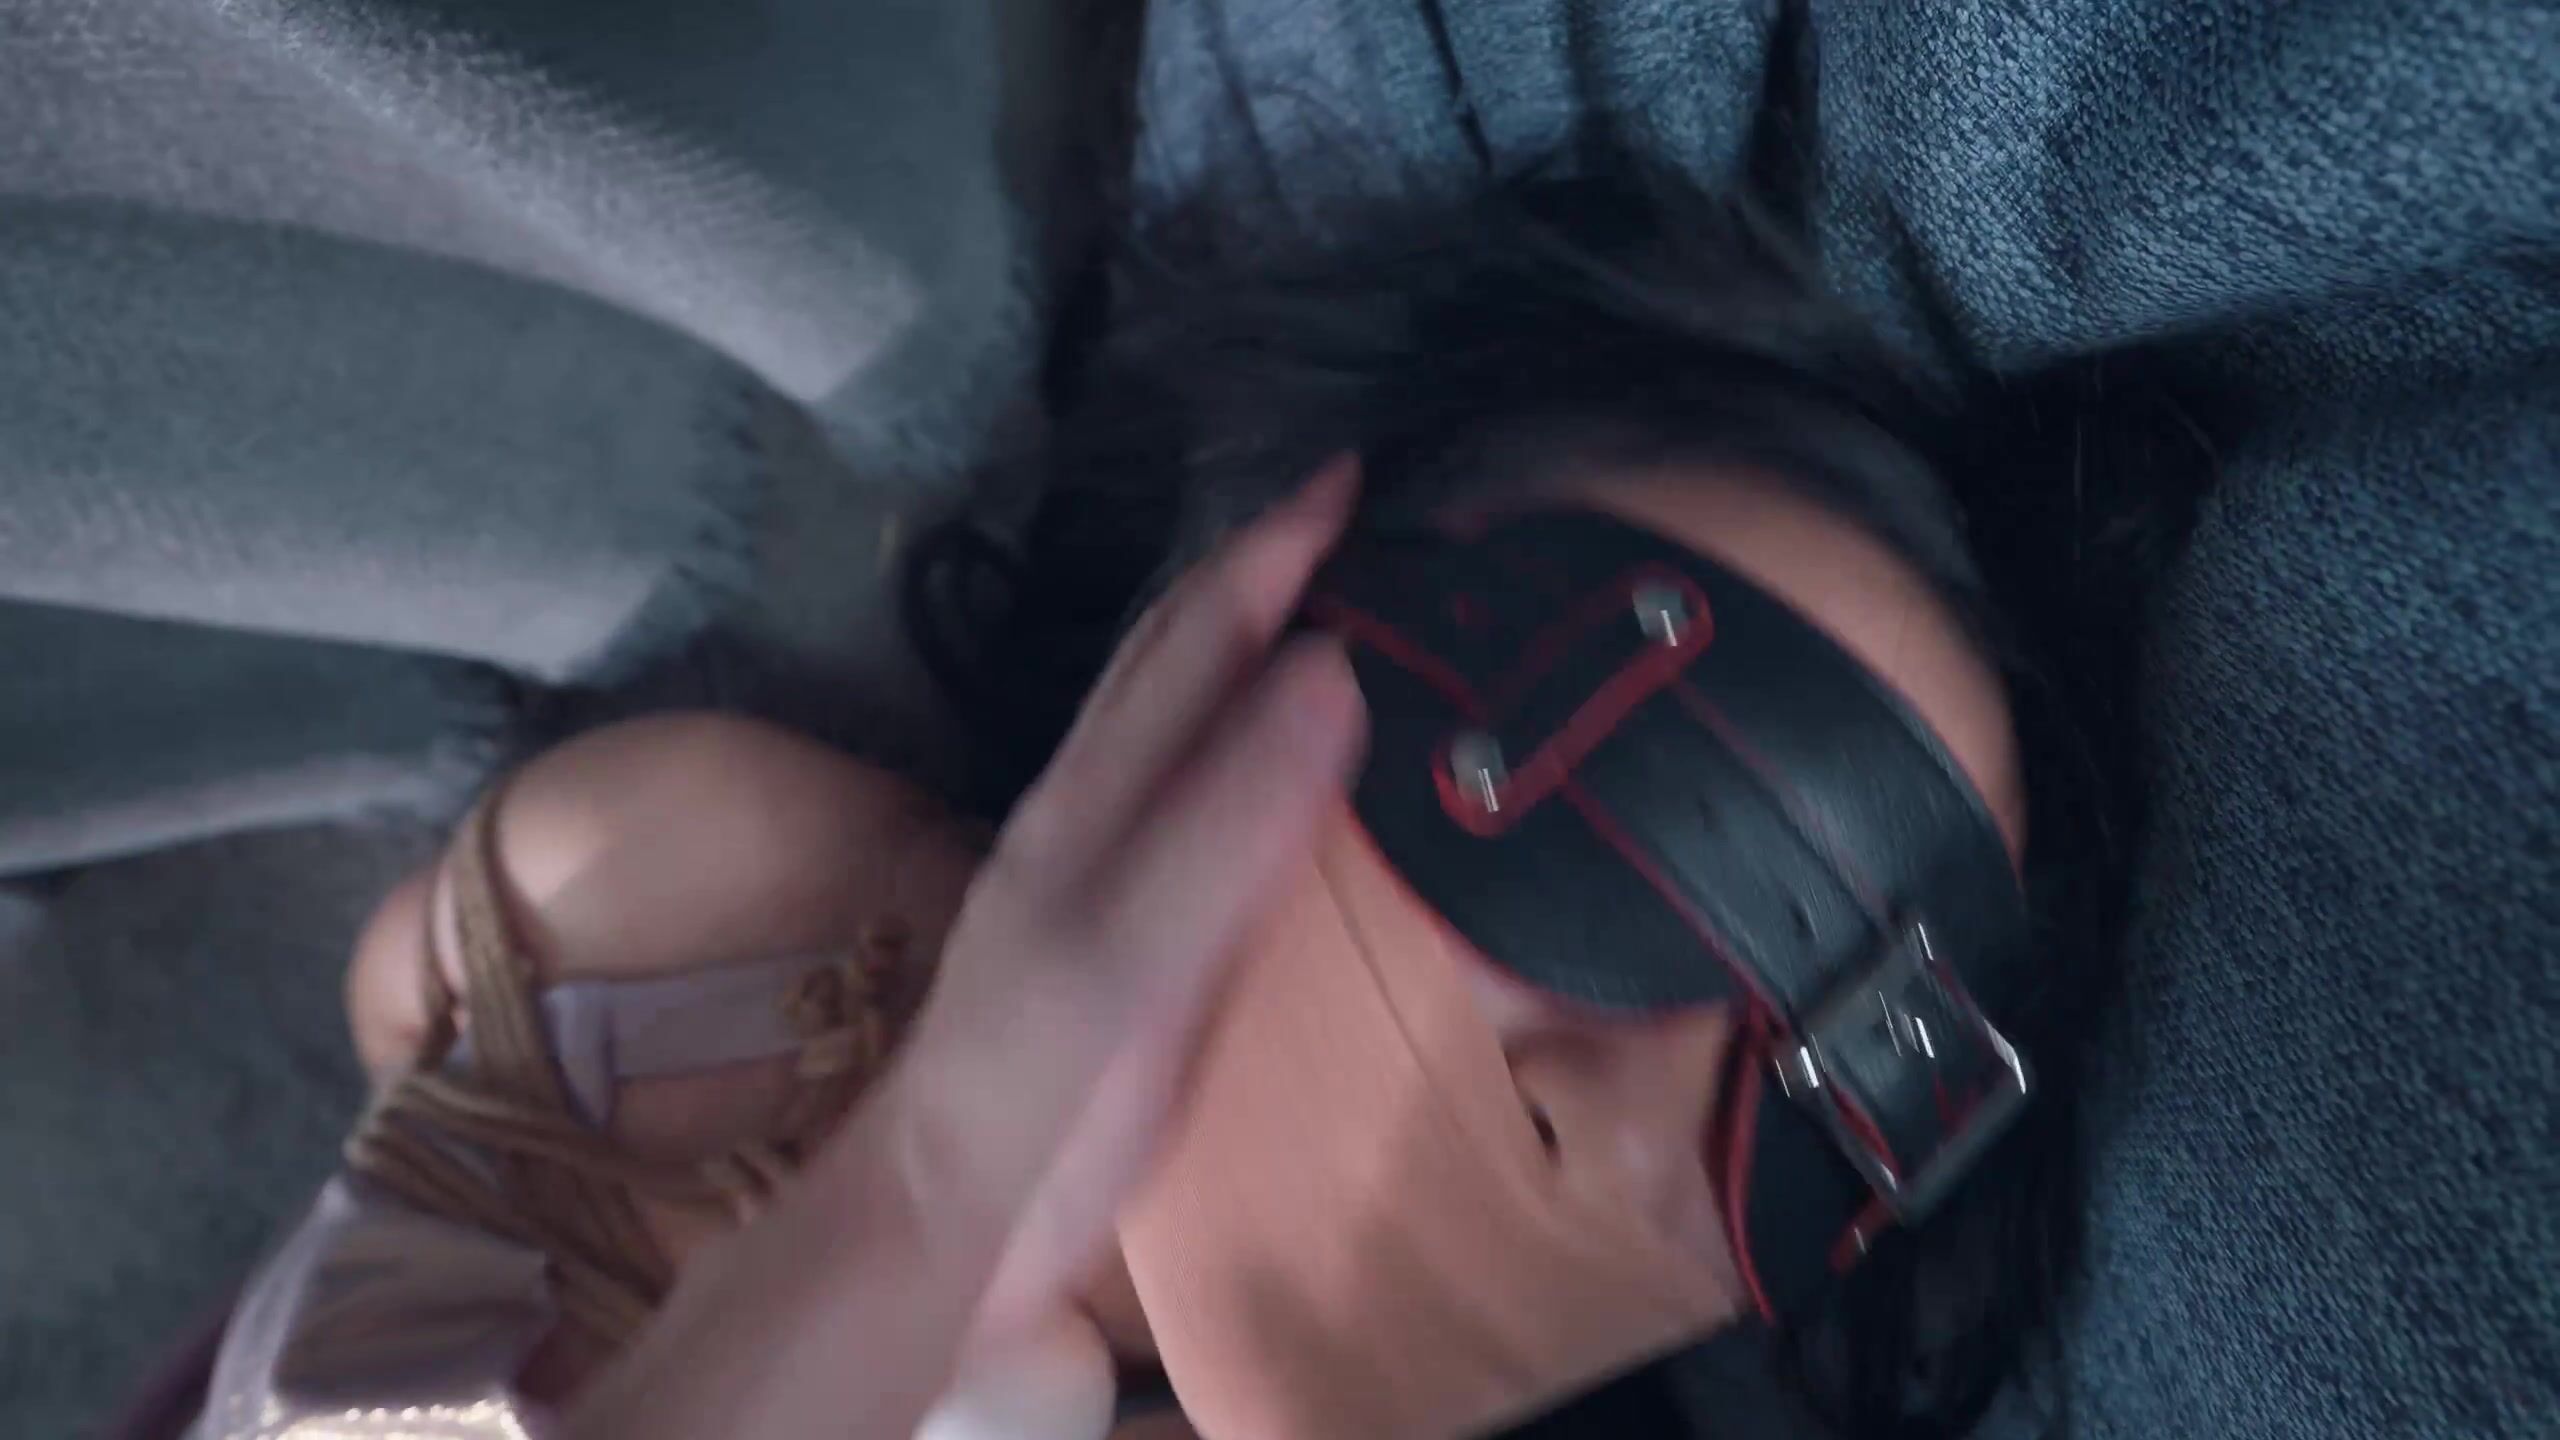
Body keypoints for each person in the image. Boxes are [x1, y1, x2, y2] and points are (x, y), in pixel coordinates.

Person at [192, 164, 2146, 1440]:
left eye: (1852, 1103)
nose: (1625, 1137)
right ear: (1229, 635)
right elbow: (403, 1007)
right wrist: (932, 1185)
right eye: (1618, 808)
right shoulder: (658, 911)